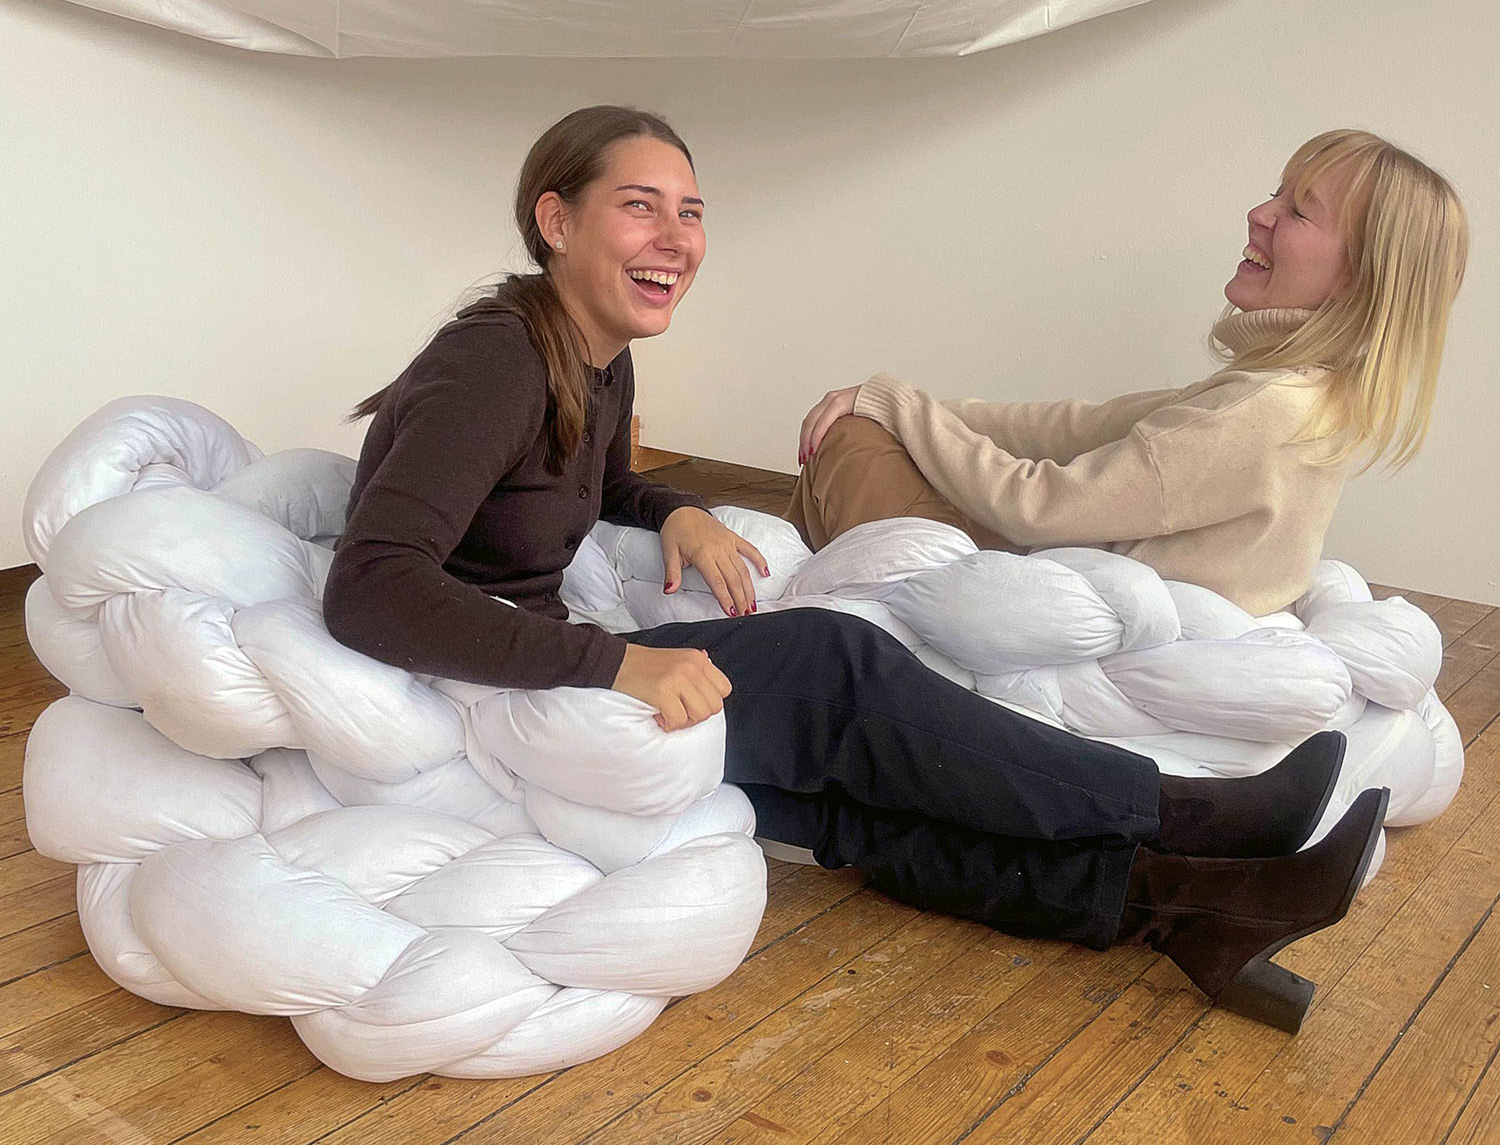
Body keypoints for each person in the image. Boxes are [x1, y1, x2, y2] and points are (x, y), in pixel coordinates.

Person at [322, 105, 1390, 1036]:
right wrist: (612, 664)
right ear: (556, 221)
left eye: (690, 212)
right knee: (829, 664)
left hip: (529, 676)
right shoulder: (495, 357)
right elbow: (373, 584)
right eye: (640, 207)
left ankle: (1177, 912)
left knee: (844, 806)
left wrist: (675, 507)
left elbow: (586, 486)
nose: (675, 238)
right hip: (474, 686)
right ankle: (1188, 817)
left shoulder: (591, 358)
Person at [787, 130, 1470, 617]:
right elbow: (1080, 426)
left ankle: (774, 616)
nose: (1260, 214)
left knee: (849, 446)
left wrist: (891, 406)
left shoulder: (1259, 413)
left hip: (1067, 618)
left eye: (1297, 210)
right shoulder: (1300, 395)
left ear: (1360, 275)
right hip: (1107, 591)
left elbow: (1038, 505)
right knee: (875, 432)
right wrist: (907, 405)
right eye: (1275, 193)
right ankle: (789, 602)